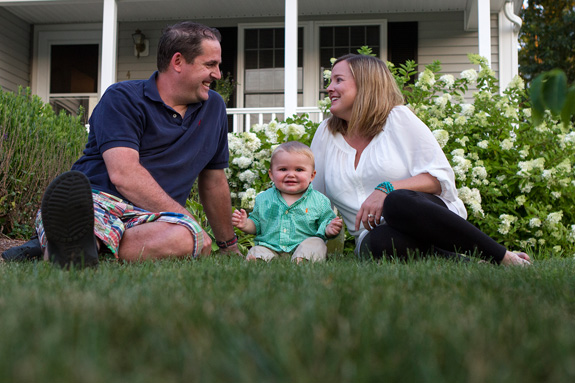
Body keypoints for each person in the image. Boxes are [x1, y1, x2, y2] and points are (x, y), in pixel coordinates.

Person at [1, 21, 240, 268]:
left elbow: (213, 181)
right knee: (90, 223)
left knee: (184, 237)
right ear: (177, 62)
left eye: (218, 65)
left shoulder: (214, 107)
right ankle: (78, 241)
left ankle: (71, 248)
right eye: (210, 65)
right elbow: (124, 174)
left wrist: (228, 246)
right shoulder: (123, 97)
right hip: (98, 201)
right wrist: (188, 218)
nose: (218, 74)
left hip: (152, 217)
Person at [310, 54, 531, 266]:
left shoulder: (397, 119)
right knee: (379, 243)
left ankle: (502, 257)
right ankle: (471, 263)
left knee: (396, 202)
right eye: (330, 81)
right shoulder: (325, 134)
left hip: (423, 215)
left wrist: (386, 189)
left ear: (366, 84)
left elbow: (439, 179)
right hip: (375, 233)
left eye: (338, 80)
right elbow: (313, 198)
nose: (329, 88)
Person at [232, 141, 343, 263]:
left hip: (303, 247)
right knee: (258, 249)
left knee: (317, 243)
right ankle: (259, 261)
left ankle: (302, 260)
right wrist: (245, 224)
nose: (291, 174)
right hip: (270, 247)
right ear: (271, 174)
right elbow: (256, 224)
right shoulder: (263, 199)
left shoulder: (319, 201)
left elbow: (325, 222)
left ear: (312, 175)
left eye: (299, 170)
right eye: (283, 169)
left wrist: (329, 229)